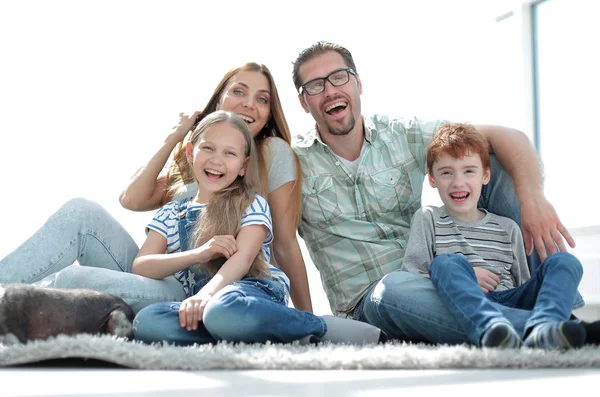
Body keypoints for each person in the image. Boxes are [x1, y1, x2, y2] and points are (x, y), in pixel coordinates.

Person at [290, 40, 590, 345]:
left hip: (450, 282)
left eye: (339, 77)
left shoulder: (401, 135)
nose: (330, 91)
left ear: (358, 83)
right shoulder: (292, 163)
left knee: (489, 161)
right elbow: (282, 243)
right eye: (315, 86)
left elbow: (507, 136)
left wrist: (533, 198)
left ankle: (539, 310)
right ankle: (555, 327)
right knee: (391, 288)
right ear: (304, 103)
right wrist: (305, 324)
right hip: (376, 301)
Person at [0, 62, 312, 314]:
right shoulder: (197, 158)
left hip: (210, 285)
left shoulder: (271, 151)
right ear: (218, 100)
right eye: (239, 92)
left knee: (73, 280)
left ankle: (13, 304)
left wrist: (309, 317)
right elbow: (131, 199)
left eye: (262, 99)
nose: (249, 103)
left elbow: (283, 243)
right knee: (81, 212)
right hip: (158, 271)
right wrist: (176, 137)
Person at [131, 110, 386, 345]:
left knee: (223, 309)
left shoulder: (251, 203)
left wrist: (207, 295)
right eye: (208, 148)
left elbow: (242, 260)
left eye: (229, 153)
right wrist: (201, 254)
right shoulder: (172, 212)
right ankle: (239, 332)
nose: (217, 160)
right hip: (203, 303)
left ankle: (317, 325)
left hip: (249, 293)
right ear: (190, 152)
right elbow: (141, 265)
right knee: (148, 320)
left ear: (243, 166)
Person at [401, 123, 585, 350]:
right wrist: (466, 277)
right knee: (446, 263)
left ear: (485, 175)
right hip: (464, 305)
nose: (458, 182)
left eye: (469, 171)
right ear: (432, 179)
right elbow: (411, 278)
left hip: (511, 298)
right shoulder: (427, 218)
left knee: (566, 262)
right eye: (446, 172)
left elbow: (523, 281)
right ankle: (491, 329)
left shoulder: (508, 228)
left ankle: (546, 327)